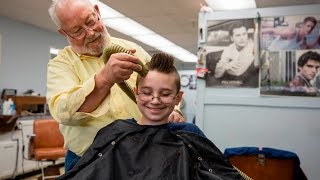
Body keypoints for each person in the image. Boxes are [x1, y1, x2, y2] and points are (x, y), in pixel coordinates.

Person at [57, 53, 244, 180]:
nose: (155, 100)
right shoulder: (114, 133)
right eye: (147, 92)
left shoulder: (189, 134)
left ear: (177, 98)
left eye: (164, 94)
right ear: (136, 92)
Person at [46, 0, 184, 171]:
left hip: (139, 154)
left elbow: (166, 83)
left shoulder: (132, 49)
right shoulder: (61, 65)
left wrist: (175, 109)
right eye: (77, 31)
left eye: (90, 22)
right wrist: (105, 79)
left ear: (97, 11)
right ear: (63, 32)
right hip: (89, 162)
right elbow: (63, 112)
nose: (90, 33)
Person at [214, 21, 258, 87]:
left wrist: (227, 65)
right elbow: (217, 75)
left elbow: (238, 71)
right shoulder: (228, 49)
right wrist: (225, 67)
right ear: (232, 38)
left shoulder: (253, 46)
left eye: (244, 34)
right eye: (238, 35)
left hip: (250, 82)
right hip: (234, 81)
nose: (242, 38)